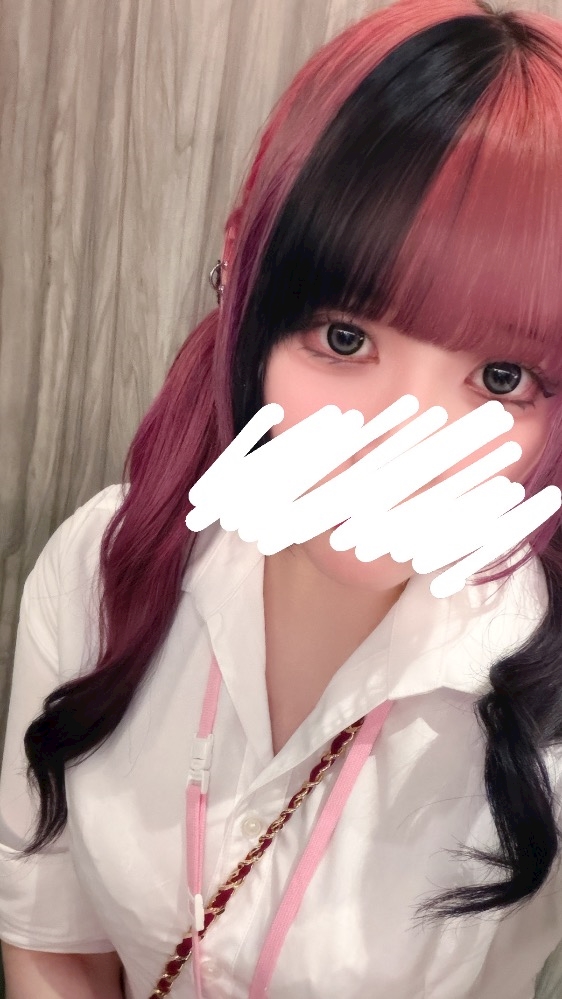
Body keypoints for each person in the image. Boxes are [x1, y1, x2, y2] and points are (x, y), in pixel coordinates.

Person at [2, 0, 562, 996]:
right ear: (248, 302)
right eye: (345, 338)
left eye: (501, 378)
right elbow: (54, 939)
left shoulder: (540, 698)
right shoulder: (100, 570)